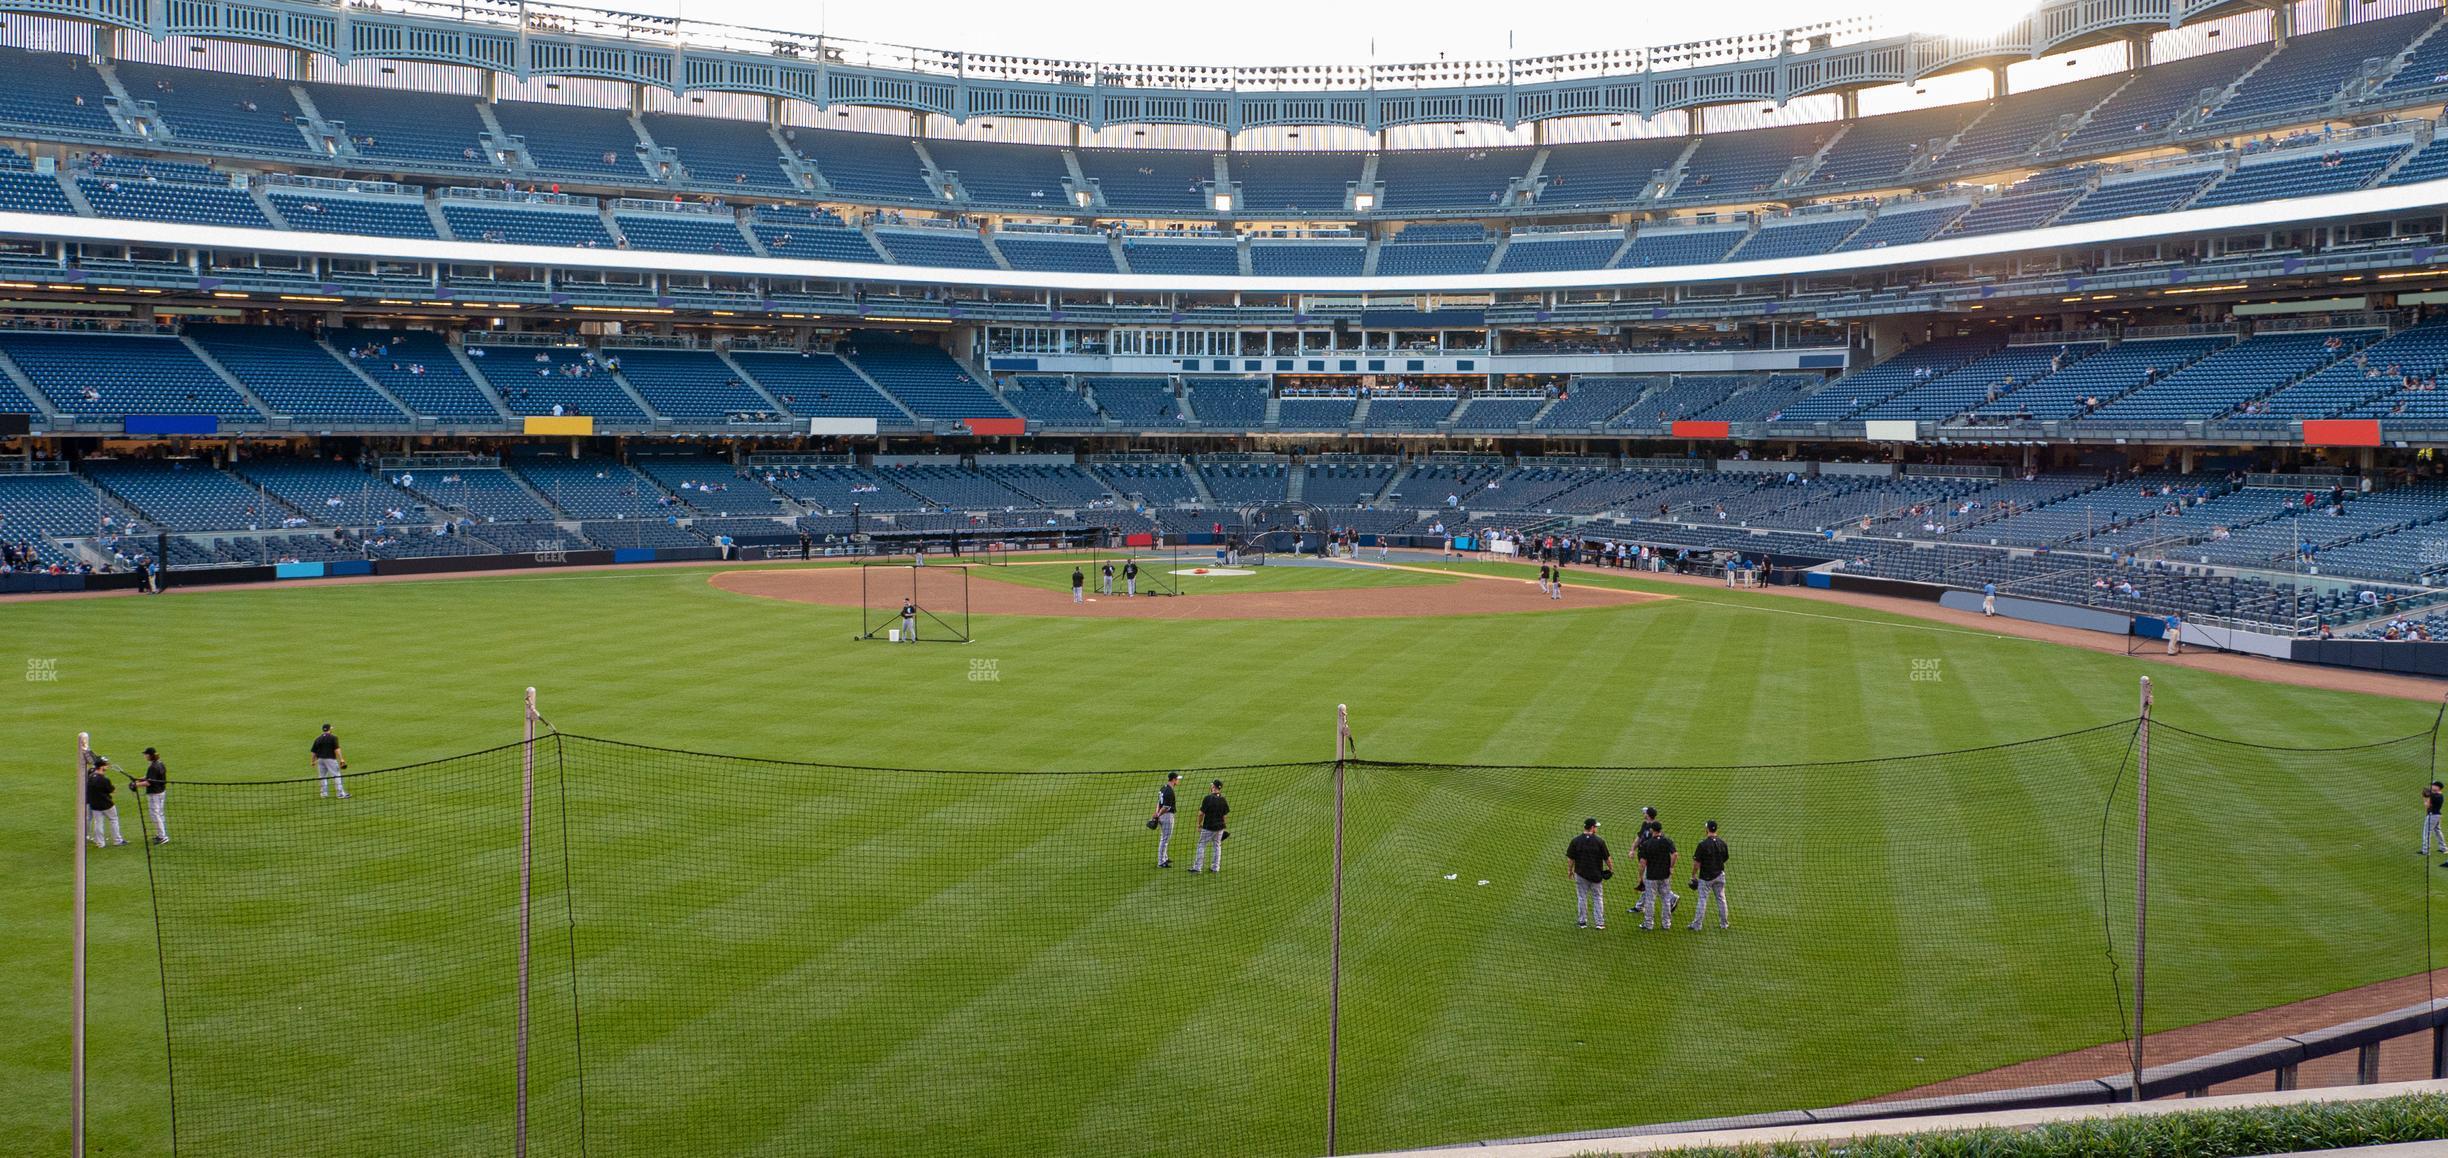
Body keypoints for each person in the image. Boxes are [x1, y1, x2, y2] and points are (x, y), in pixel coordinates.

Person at [1566, 817, 1611, 930]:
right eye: (1595, 827)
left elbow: (1571, 859)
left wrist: (1570, 870)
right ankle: (1599, 923)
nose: (1596, 828)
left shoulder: (1576, 840)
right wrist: (1611, 869)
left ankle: (1582, 922)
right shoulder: (1599, 841)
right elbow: (1607, 858)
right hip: (1596, 875)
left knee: (1582, 897)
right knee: (1598, 898)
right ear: (1592, 828)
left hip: (1580, 874)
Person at [1635, 820, 1676, 931]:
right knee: (1666, 900)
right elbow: (1675, 854)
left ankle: (1648, 924)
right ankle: (1666, 924)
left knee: (1650, 900)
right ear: (1661, 830)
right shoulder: (1667, 841)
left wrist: (1640, 877)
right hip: (1665, 875)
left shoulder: (1647, 844)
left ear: (1652, 830)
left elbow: (1643, 863)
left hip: (1651, 876)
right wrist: (1671, 867)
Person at [1688, 820, 1729, 931]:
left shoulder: (1703, 844)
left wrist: (1693, 875)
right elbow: (1725, 858)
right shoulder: (1722, 843)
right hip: (1720, 875)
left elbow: (1697, 863)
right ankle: (1724, 924)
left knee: (1702, 899)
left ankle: (1697, 925)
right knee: (1721, 899)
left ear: (1707, 829)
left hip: (1706, 877)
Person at [86, 755, 126, 847]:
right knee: (114, 820)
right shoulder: (104, 780)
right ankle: (117, 840)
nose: (107, 766)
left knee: (98, 823)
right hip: (107, 804)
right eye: (106, 764)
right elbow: (113, 791)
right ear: (101, 766)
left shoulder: (90, 777)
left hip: (94, 805)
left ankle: (100, 843)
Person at [1190, 778, 1228, 873]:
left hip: (1208, 827)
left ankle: (1197, 867)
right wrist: (1224, 826)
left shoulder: (1208, 798)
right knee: (1217, 846)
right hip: (1220, 828)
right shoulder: (1223, 799)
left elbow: (1201, 813)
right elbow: (1224, 815)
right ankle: (1215, 868)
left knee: (1201, 845)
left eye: (1212, 786)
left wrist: (1199, 824)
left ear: (1213, 787)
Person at [136, 746, 170, 845]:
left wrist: (135, 785)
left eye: (146, 754)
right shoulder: (160, 763)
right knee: (159, 813)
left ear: (149, 755)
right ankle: (161, 835)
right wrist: (138, 779)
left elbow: (148, 783)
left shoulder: (153, 767)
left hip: (155, 793)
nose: (145, 756)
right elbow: (149, 778)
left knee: (155, 815)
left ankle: (163, 836)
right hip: (161, 792)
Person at [1151, 771, 1180, 868]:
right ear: (1173, 779)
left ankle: (1165, 857)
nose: (1178, 781)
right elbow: (1166, 807)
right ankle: (1161, 862)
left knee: (1164, 837)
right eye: (1177, 779)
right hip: (1166, 816)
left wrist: (1156, 814)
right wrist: (1158, 814)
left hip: (1161, 814)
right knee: (1165, 839)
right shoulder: (1170, 791)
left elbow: (1159, 803)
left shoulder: (1163, 788)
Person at [311, 723, 349, 799]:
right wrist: (341, 759)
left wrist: (312, 761)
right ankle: (340, 794)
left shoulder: (318, 739)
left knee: (322, 776)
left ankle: (324, 794)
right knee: (336, 775)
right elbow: (337, 749)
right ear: (329, 729)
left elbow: (313, 752)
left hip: (320, 760)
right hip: (330, 759)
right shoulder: (333, 737)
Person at [2426, 781, 2445, 857]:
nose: (2432, 786)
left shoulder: (2435, 796)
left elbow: (2427, 805)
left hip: (2433, 816)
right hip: (2437, 816)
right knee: (2437, 831)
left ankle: (2425, 850)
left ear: (2438, 787)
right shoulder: (2438, 795)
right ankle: (2443, 848)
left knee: (2427, 832)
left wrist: (2425, 797)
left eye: (2433, 785)